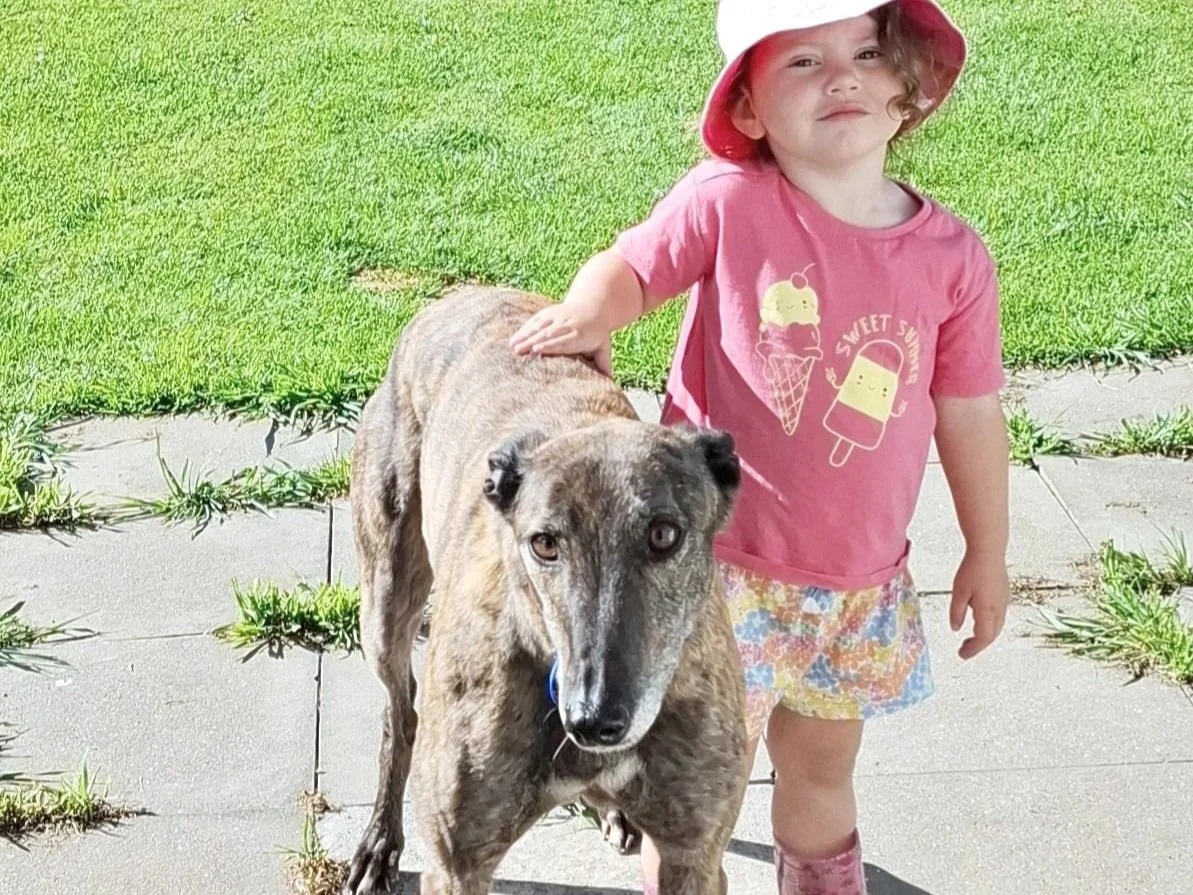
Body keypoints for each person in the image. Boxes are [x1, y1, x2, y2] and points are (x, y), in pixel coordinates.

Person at [510, 1, 1010, 892]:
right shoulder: (728, 201)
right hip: (711, 577)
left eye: (865, 52)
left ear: (908, 83)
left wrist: (988, 548)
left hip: (853, 590)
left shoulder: (952, 259)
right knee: (699, 782)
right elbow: (632, 265)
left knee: (820, 769)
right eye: (803, 63)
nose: (842, 76)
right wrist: (592, 308)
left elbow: (968, 411)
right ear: (747, 107)